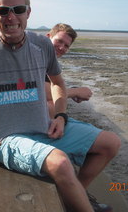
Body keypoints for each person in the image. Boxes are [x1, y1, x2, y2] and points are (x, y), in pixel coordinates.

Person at [0, 0, 119, 212]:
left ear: (28, 11)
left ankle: (73, 196)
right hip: (5, 140)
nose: (11, 17)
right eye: (3, 10)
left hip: (45, 128)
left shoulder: (41, 44)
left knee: (111, 143)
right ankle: (79, 202)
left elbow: (57, 83)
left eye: (18, 10)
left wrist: (60, 116)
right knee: (60, 162)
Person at [45, 23, 121, 211]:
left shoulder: (49, 61)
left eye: (66, 46)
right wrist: (74, 91)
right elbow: (41, 91)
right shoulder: (35, 56)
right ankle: (74, 199)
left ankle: (75, 194)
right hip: (39, 127)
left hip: (49, 123)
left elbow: (52, 90)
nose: (62, 48)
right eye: (59, 41)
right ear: (48, 37)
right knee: (110, 143)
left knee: (111, 142)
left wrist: (68, 95)